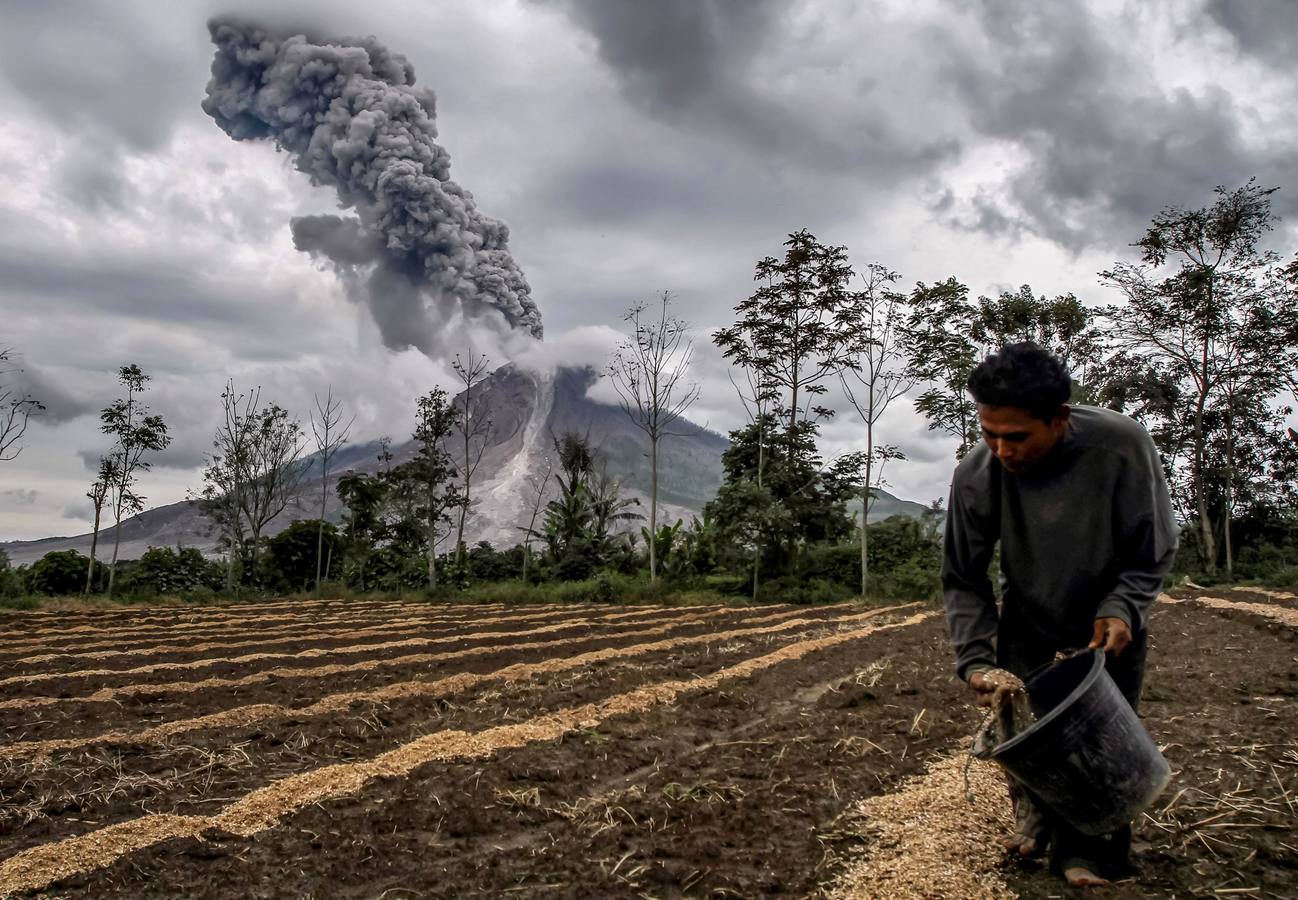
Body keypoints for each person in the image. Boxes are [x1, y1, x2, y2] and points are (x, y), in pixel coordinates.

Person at [941, 342, 1178, 888]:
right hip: (1027, 609)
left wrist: (1122, 607)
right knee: (1021, 729)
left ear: (1059, 419)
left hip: (1107, 614)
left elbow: (1152, 549)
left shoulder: (1121, 446)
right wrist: (976, 660)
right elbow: (962, 577)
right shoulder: (978, 472)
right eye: (989, 433)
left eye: (1017, 436)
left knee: (1102, 734)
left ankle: (1090, 852)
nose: (1002, 449)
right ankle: (1036, 817)